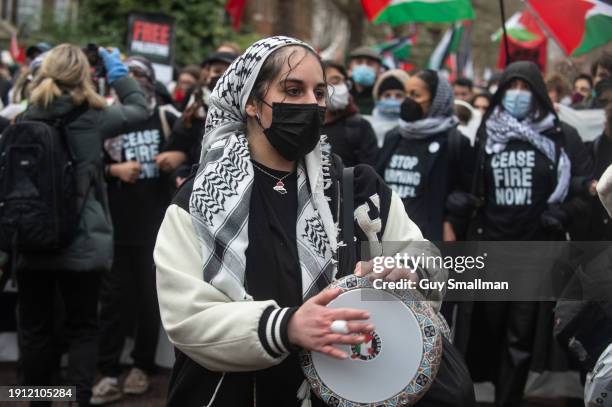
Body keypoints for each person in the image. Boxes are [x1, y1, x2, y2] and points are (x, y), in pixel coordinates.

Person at [154, 36, 474, 407]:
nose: (311, 103)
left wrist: (408, 271)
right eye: (293, 90)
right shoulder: (202, 199)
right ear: (254, 103)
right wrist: (287, 327)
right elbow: (187, 317)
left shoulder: (359, 190)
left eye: (319, 92)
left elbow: (428, 261)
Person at [450, 61, 593, 407]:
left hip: (534, 252)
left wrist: (561, 214)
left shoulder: (561, 135)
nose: (517, 95)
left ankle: (508, 400)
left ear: (539, 93)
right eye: (510, 87)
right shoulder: (488, 131)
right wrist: (465, 201)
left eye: (525, 87)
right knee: (489, 330)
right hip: (492, 249)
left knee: (521, 336)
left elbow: (583, 188)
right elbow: (470, 180)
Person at [15, 44, 148, 406]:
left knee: (36, 333)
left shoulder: (26, 114)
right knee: (83, 328)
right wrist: (116, 68)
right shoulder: (93, 117)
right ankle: (78, 399)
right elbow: (140, 108)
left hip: (31, 237)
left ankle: (37, 400)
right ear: (87, 75)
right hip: (82, 240)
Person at [90, 56, 180, 405]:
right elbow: (80, 158)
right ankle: (109, 372)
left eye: (140, 74)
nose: (134, 80)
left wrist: (176, 160)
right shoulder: (106, 116)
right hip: (114, 227)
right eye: (127, 75)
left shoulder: (166, 117)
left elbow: (195, 154)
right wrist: (113, 171)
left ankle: (141, 368)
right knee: (113, 303)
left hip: (157, 229)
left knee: (148, 301)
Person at [377, 69, 473, 241]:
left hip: (428, 239)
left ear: (436, 100)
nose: (407, 100)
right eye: (406, 94)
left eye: (415, 95)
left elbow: (467, 191)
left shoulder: (454, 142)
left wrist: (451, 222)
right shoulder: (394, 136)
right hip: (388, 237)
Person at [321, 60, 378, 167]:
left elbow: (367, 176)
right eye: (335, 80)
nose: (342, 87)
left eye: (344, 82)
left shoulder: (360, 127)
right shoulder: (305, 126)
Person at [365, 69, 410, 147]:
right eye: (387, 95)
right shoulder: (366, 126)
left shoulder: (413, 130)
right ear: (378, 98)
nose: (392, 99)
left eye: (398, 95)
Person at [347, 46, 384, 115]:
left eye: (369, 63)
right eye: (359, 62)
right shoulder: (342, 92)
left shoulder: (383, 95)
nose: (364, 66)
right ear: (350, 67)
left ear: (379, 70)